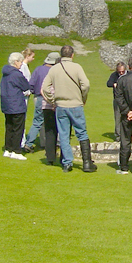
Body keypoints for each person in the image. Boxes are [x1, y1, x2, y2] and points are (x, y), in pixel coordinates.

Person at [41, 45, 96, 173]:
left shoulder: (54, 69)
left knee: (64, 134)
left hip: (61, 105)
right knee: (81, 132)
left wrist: (52, 100)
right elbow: (86, 84)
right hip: (75, 104)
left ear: (61, 55)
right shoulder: (77, 67)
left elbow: (45, 87)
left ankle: (67, 163)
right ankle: (87, 163)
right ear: (72, 55)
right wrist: (83, 97)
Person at [26, 51, 60, 162]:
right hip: (50, 97)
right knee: (53, 121)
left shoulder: (38, 69)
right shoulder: (55, 71)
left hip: (38, 97)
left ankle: (31, 143)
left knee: (38, 121)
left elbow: (31, 84)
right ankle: (55, 143)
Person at [0, 52, 32, 160]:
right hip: (16, 104)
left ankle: (8, 149)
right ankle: (16, 150)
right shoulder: (16, 74)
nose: (21, 64)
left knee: (9, 127)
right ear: (16, 62)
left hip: (6, 104)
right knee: (18, 128)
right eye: (20, 62)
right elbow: (25, 86)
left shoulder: (5, 73)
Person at [106, 61, 127, 141]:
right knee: (118, 118)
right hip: (117, 100)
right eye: (119, 72)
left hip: (127, 100)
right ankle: (118, 136)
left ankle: (127, 135)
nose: (121, 73)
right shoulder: (114, 75)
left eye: (122, 71)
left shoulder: (128, 75)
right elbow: (108, 83)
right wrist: (114, 84)